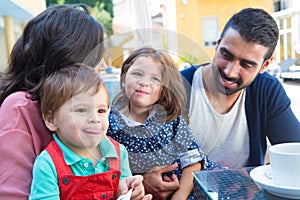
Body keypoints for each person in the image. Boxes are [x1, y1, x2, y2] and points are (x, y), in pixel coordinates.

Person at [0, 4, 105, 199]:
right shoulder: (20, 107)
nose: (104, 66)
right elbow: (14, 194)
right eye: (97, 56)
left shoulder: (86, 105)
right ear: (68, 56)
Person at [180, 8, 300, 169]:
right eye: (226, 55)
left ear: (265, 65)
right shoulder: (178, 86)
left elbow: (295, 155)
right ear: (218, 44)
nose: (230, 71)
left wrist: (257, 178)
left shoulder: (266, 91)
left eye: (246, 64)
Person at [107, 47, 223, 200]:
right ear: (123, 78)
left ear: (164, 88)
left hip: (188, 190)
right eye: (137, 74)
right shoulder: (109, 124)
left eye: (155, 79)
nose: (144, 82)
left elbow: (194, 161)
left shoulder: (170, 119)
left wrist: (179, 197)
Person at [29, 64, 150, 200]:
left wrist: (129, 192)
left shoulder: (118, 153)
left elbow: (121, 193)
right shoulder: (47, 165)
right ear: (51, 119)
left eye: (101, 111)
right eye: (81, 110)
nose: (95, 119)